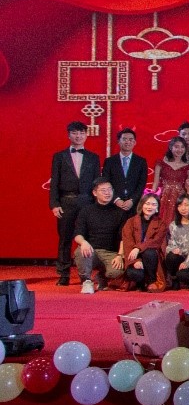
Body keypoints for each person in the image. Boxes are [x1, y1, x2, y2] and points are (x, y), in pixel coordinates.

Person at [51, 120, 101, 285]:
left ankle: (86, 273)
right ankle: (63, 274)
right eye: (74, 133)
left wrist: (97, 204)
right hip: (66, 201)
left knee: (88, 238)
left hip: (87, 202)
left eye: (81, 133)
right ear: (69, 135)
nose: (78, 136)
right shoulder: (59, 156)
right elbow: (54, 182)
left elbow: (96, 183)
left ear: (86, 135)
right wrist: (54, 204)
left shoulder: (93, 158)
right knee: (65, 239)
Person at [72, 177, 128, 293]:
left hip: (111, 253)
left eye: (110, 189)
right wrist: (83, 242)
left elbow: (123, 237)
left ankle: (102, 276)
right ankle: (86, 281)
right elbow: (78, 234)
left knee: (116, 272)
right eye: (103, 190)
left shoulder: (120, 212)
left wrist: (120, 255)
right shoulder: (86, 211)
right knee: (81, 252)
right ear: (94, 193)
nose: (107, 193)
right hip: (91, 250)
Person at [121, 193, 165, 291]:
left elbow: (156, 242)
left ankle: (151, 281)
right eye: (147, 203)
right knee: (134, 273)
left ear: (157, 208)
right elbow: (128, 243)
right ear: (142, 205)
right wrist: (136, 261)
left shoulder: (161, 224)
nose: (150, 207)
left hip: (151, 258)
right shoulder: (130, 222)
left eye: (154, 204)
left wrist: (138, 248)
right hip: (134, 257)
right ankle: (139, 284)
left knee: (149, 252)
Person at [102, 127, 147, 218]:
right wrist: (116, 199)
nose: (127, 142)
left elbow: (141, 184)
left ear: (134, 142)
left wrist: (132, 200)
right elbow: (106, 182)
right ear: (119, 141)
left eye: (130, 139)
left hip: (134, 205)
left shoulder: (141, 162)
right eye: (124, 139)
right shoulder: (109, 161)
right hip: (114, 205)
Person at [152, 136, 189, 229]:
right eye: (176, 146)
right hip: (163, 197)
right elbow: (155, 183)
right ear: (170, 147)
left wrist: (188, 200)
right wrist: (151, 197)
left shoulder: (188, 167)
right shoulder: (161, 163)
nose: (179, 150)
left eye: (182, 147)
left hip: (179, 198)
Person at [161, 194, 189, 291]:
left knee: (183, 275)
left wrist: (187, 262)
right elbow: (170, 244)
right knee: (171, 257)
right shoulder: (173, 225)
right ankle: (174, 280)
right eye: (180, 205)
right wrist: (174, 250)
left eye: (186, 205)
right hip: (179, 258)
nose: (183, 208)